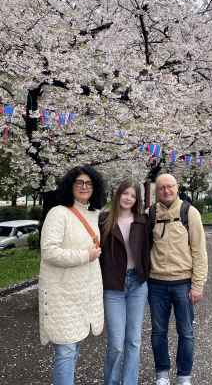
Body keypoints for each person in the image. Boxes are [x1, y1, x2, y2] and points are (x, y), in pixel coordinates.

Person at [38, 165, 106, 385]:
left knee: (74, 349)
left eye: (88, 183)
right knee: (66, 352)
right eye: (79, 183)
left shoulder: (95, 214)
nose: (84, 187)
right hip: (62, 294)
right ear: (70, 186)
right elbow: (49, 252)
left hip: (83, 293)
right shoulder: (58, 213)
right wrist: (85, 255)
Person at [148, 173, 208, 385]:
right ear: (157, 190)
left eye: (170, 186)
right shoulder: (151, 213)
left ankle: (184, 376)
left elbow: (199, 251)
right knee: (158, 332)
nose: (166, 190)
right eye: (162, 187)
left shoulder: (189, 213)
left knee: (186, 332)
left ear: (177, 187)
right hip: (156, 283)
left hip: (183, 283)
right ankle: (162, 374)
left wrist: (198, 284)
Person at [99, 179, 150, 385]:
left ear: (137, 199)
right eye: (125, 193)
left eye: (133, 195)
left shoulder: (142, 221)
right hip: (113, 287)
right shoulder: (104, 220)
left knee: (134, 341)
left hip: (137, 284)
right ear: (118, 194)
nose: (128, 198)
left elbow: (150, 249)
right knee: (116, 344)